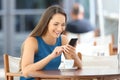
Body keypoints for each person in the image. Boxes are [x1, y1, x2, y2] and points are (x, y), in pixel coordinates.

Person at [20, 5, 82, 80]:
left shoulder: (63, 40)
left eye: (63, 25)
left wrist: (73, 54)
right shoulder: (32, 41)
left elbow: (78, 68)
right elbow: (26, 72)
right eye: (56, 24)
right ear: (46, 23)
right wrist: (51, 56)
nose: (59, 29)